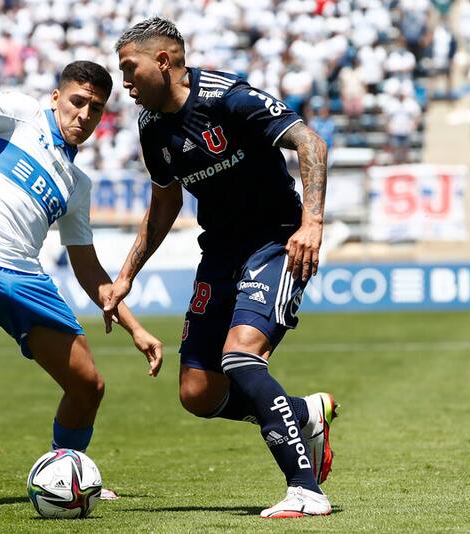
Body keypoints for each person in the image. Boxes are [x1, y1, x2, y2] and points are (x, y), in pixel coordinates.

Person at [0, 17, 163, 491]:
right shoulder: (21, 114)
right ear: (56, 98)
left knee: (88, 387)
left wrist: (136, 329)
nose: (84, 114)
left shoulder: (78, 187)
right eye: (78, 102)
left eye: (96, 109)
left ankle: (70, 474)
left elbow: (87, 268)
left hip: (23, 277)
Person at [103, 17, 338, 518]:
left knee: (241, 358)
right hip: (220, 254)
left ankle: (306, 490)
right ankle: (301, 414)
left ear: (163, 61)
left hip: (276, 242)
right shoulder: (151, 129)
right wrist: (126, 276)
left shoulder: (227, 97)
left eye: (129, 68)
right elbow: (163, 205)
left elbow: (311, 144)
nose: (123, 82)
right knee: (198, 393)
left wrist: (311, 223)